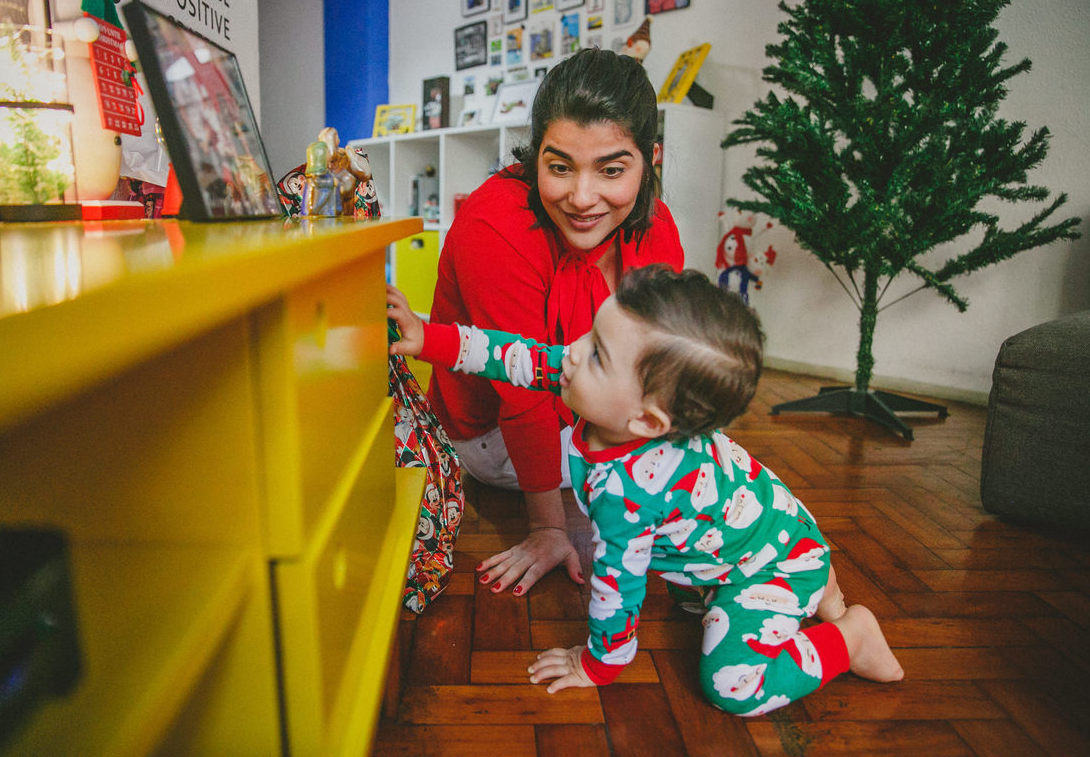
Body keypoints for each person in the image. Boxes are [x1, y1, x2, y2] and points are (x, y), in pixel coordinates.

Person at [387, 266, 903, 716]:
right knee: (700, 595)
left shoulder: (628, 492)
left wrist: (596, 664)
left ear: (647, 420)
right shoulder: (600, 390)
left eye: (596, 355)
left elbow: (617, 589)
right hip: (773, 531)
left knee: (733, 688)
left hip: (765, 564)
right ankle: (817, 583)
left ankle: (848, 634)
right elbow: (513, 356)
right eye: (591, 334)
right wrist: (425, 337)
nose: (571, 352)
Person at [426, 47, 684, 597]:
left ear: (651, 159)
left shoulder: (656, 225)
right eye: (559, 166)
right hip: (492, 432)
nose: (582, 197)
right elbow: (518, 391)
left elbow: (661, 359)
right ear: (533, 154)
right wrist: (548, 527)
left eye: (611, 169)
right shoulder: (494, 226)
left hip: (584, 406)